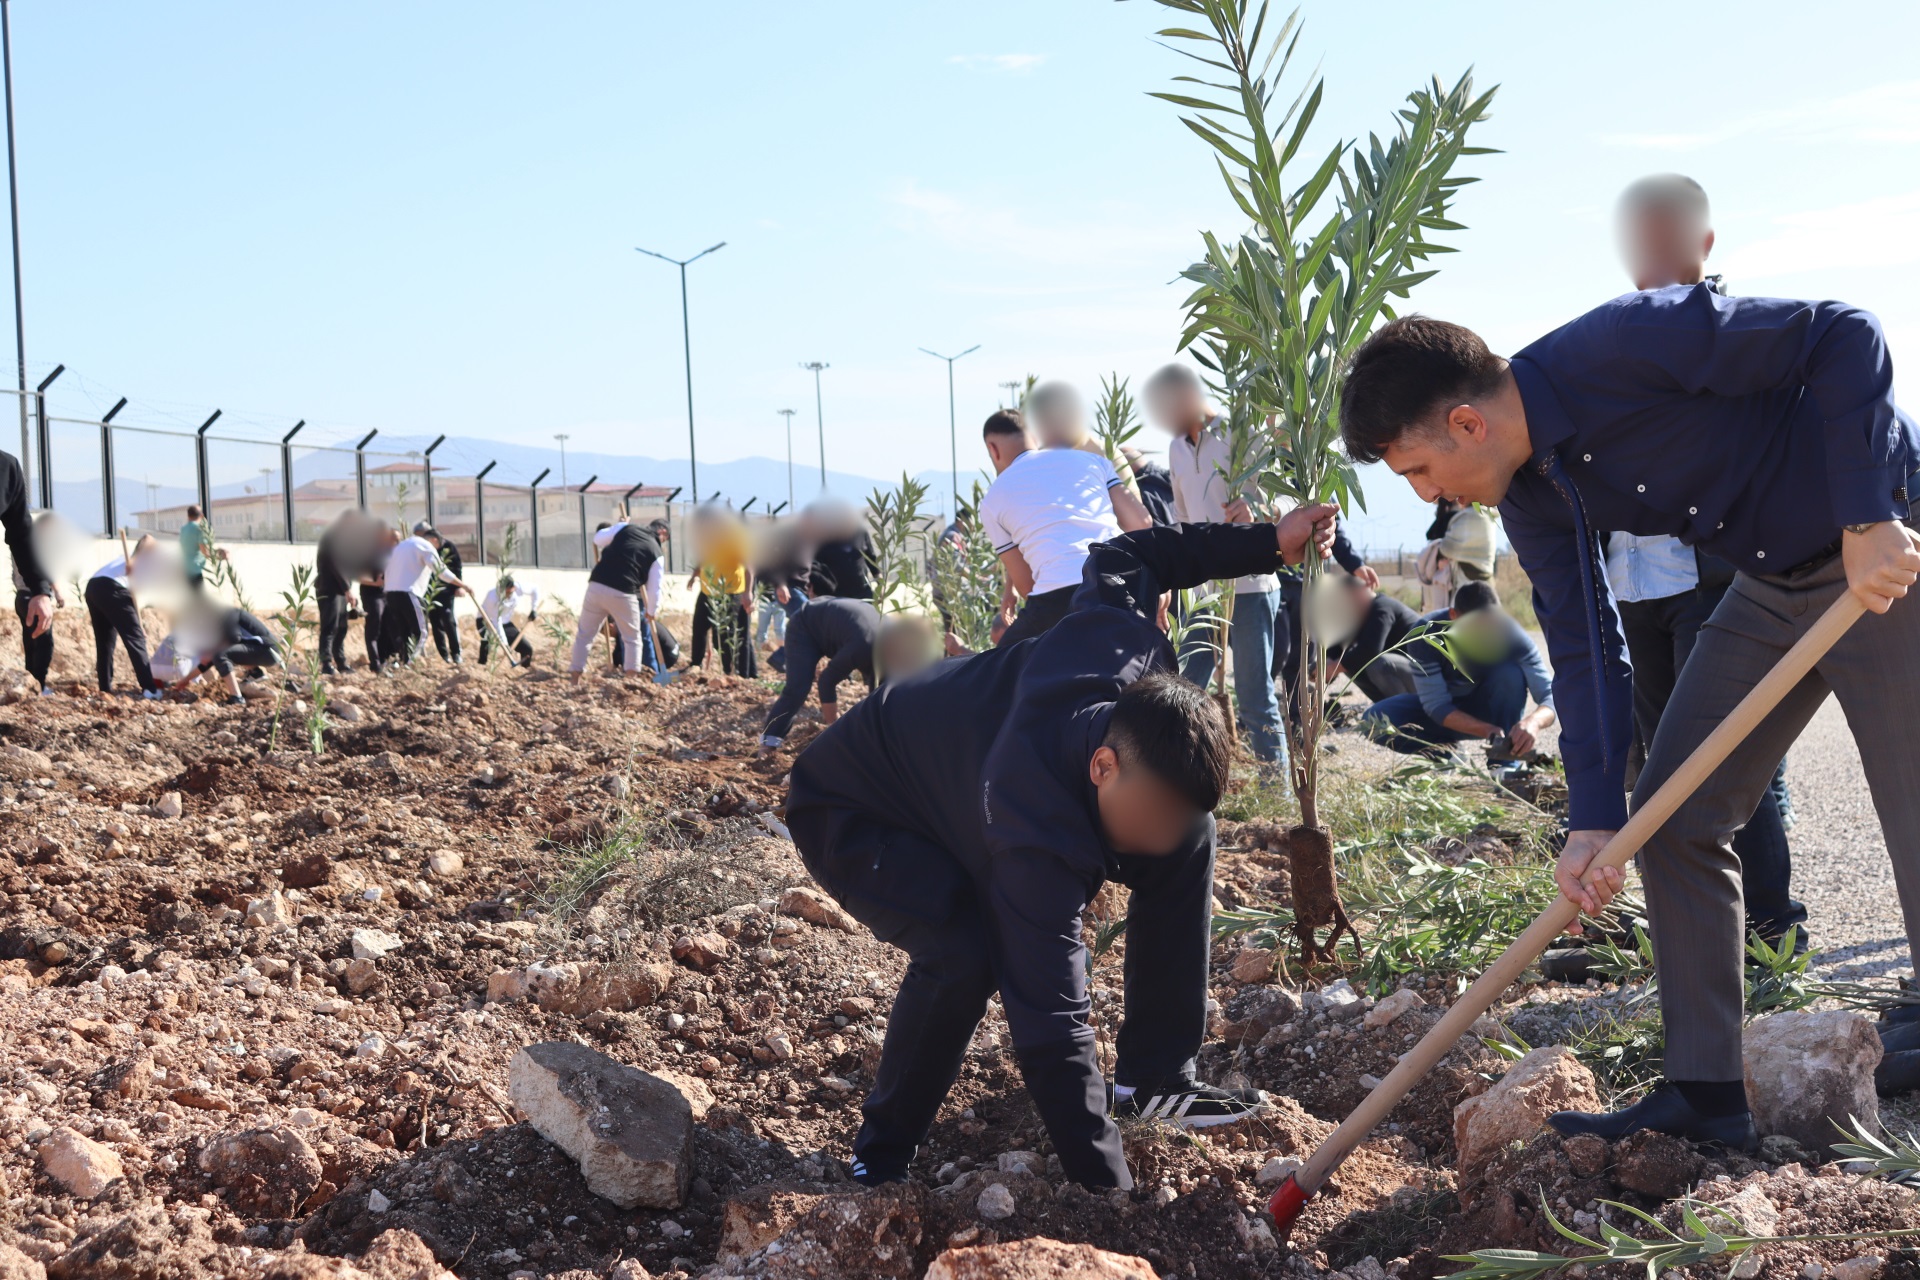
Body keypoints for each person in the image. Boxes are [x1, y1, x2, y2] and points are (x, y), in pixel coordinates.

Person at [1337, 278, 1920, 1146]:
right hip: (1770, 585)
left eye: (1420, 471)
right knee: (1672, 815)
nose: (1429, 497)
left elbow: (1843, 333)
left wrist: (1871, 514)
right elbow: (1583, 647)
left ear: (1467, 423)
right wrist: (1594, 820)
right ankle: (1705, 1099)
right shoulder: (1532, 492)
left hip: (1878, 550)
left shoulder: (1627, 343)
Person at [785, 506, 1337, 1189]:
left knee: (1188, 838)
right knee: (964, 949)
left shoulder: (1119, 643)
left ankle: (1155, 1079)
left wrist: (1267, 544)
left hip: (959, 775)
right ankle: (880, 1157)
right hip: (855, 805)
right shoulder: (1033, 833)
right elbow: (1052, 1029)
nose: (1157, 838)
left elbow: (1130, 555)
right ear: (1103, 765)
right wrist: (1109, 1190)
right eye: (1150, 812)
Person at [1602, 174, 1803, 951]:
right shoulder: (1613, 340)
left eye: (1663, 237)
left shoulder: (1736, 338)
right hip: (1634, 582)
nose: (1647, 255)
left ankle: (1773, 932)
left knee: (1731, 762)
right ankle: (1700, 935)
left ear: (1703, 243)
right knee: (1664, 766)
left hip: (1713, 580)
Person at [1141, 362, 1286, 766]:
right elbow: (1184, 520)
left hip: (1251, 586)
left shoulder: (1243, 432)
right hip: (1204, 593)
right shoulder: (1175, 449)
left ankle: (1277, 792)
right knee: (1183, 688)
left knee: (1257, 697)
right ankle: (1182, 776)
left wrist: (1257, 506)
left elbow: (1285, 501)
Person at [979, 409, 1152, 648]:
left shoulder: (991, 500)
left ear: (993, 449)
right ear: (1035, 436)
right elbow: (1141, 523)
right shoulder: (1093, 461)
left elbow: (1027, 585)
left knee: (1003, 665)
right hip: (1120, 581)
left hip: (1058, 595)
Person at [1360, 581, 1556, 756]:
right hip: (1444, 715)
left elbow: (1551, 695)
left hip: (1489, 708)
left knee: (1509, 674)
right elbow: (1436, 706)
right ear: (1453, 616)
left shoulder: (1512, 636)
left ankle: (1505, 763)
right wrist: (1486, 730)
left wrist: (1534, 722)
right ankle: (1446, 755)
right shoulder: (1425, 635)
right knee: (1373, 721)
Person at [759, 592, 882, 750]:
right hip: (805, 626)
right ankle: (768, 744)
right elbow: (826, 682)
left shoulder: (895, 643)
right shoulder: (861, 647)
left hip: (835, 621)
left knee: (880, 690)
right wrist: (836, 731)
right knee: (798, 688)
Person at [574, 516, 666, 678]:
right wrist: (651, 611)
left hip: (596, 584)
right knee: (632, 638)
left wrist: (621, 525)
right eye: (666, 539)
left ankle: (574, 677)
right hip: (624, 591)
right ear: (662, 532)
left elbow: (598, 538)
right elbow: (655, 588)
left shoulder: (626, 529)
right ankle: (631, 679)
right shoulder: (657, 553)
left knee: (584, 635)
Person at [377, 522, 474, 672]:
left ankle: (404, 662)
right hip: (408, 593)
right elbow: (442, 572)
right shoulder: (425, 546)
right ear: (434, 540)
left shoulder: (401, 546)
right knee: (421, 632)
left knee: (405, 632)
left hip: (391, 594)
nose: (436, 550)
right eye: (437, 547)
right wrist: (463, 585)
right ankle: (409, 665)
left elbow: (387, 571)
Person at [1325, 573, 1423, 703]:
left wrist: (1334, 667)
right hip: (1406, 673)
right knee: (1347, 662)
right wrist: (1323, 667)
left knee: (1378, 664)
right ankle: (1385, 708)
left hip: (1426, 677)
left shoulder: (1382, 607)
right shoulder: (1358, 616)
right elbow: (1338, 649)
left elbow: (1371, 649)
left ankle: (1407, 713)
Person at [87, 536, 161, 698]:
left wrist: (138, 625)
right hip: (112, 588)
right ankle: (150, 689)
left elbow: (133, 596)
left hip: (93, 587)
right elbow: (147, 538)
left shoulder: (130, 563)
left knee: (105, 642)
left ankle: (104, 688)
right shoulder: (139, 559)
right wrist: (134, 560)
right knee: (136, 640)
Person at [687, 507, 757, 676]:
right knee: (699, 628)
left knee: (726, 635)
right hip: (707, 591)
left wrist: (748, 593)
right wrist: (693, 576)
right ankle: (695, 664)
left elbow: (749, 569)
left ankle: (729, 671)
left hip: (731, 593)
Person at [162, 606, 279, 705]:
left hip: (268, 650)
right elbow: (208, 662)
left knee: (220, 653)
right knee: (219, 654)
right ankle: (255, 672)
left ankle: (236, 698)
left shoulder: (227, 614)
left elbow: (234, 638)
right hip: (261, 651)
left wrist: (213, 651)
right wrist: (185, 681)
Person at [13, 512, 64, 695]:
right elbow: (45, 571)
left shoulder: (21, 542)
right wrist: (58, 593)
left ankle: (31, 684)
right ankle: (39, 685)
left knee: (30, 642)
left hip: (21, 597)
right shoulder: (37, 545)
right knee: (44, 643)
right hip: (35, 598)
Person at [479, 573, 541, 666]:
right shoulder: (493, 597)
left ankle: (524, 669)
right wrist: (505, 644)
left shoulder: (518, 587)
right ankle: (482, 666)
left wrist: (534, 609)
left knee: (527, 649)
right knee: (488, 640)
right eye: (506, 592)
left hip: (505, 622)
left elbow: (535, 589)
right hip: (486, 620)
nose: (508, 595)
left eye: (510, 592)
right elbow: (496, 622)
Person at [425, 530, 466, 664]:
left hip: (447, 590)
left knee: (448, 621)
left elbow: (457, 567)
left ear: (435, 540)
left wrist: (458, 586)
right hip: (431, 592)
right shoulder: (426, 550)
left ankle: (456, 653)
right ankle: (444, 656)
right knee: (435, 623)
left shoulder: (449, 547)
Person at [178, 505, 226, 593]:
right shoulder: (199, 529)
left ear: (188, 516)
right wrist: (219, 556)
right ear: (201, 515)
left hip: (185, 567)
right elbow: (205, 552)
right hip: (195, 569)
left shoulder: (183, 529)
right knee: (199, 598)